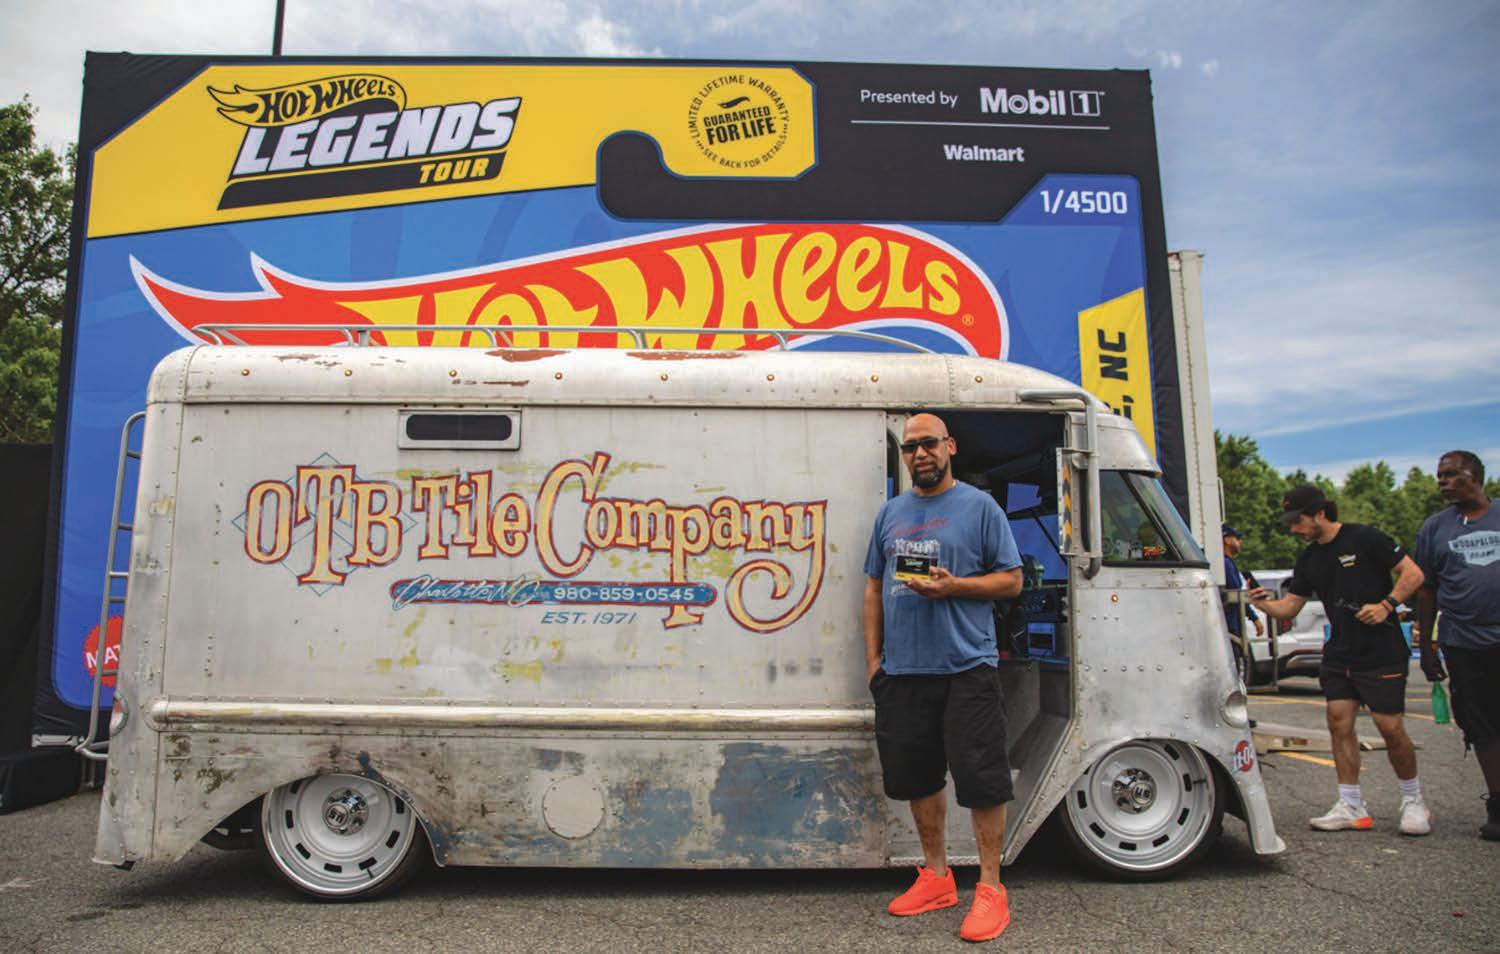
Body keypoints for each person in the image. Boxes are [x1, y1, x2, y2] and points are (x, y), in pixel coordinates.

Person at [863, 413, 1023, 943]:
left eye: (928, 444)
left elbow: (1011, 581)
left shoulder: (980, 507)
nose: (919, 454)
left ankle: (990, 889)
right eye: (910, 447)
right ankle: (936, 877)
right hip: (904, 672)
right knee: (919, 779)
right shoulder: (890, 514)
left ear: (949, 446)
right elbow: (873, 588)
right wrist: (874, 661)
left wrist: (956, 587)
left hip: (967, 667)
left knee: (981, 781)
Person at [1248, 484, 1429, 834]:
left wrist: (1387, 605)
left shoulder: (1365, 538)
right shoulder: (1309, 558)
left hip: (1381, 650)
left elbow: (1414, 574)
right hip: (1340, 652)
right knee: (1338, 722)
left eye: (1298, 521)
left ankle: (1413, 800)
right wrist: (1262, 604)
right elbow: (1290, 606)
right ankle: (1351, 805)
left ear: (1319, 513)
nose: (1293, 529)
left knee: (1389, 728)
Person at [1414, 451, 1500, 841]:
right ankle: (1498, 804)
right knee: (1480, 724)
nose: (1443, 482)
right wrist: (1427, 646)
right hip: (1463, 641)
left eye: (1451, 475)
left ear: (1475, 476)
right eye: (1440, 476)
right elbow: (1427, 589)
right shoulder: (1435, 528)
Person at [1221, 524, 1265, 641]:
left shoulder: (1226, 562)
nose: (1241, 542)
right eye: (1237, 538)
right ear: (1227, 540)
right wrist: (1254, 618)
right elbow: (1237, 594)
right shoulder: (1225, 563)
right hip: (1230, 625)